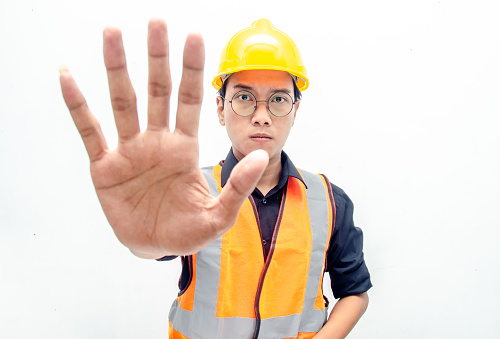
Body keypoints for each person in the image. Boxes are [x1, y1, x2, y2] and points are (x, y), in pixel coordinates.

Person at [60, 18, 371, 339]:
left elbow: (354, 291)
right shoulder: (189, 191)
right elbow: (154, 247)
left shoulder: (328, 201)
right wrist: (142, 242)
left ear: (295, 111)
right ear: (221, 108)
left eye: (278, 99)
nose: (261, 115)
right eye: (245, 97)